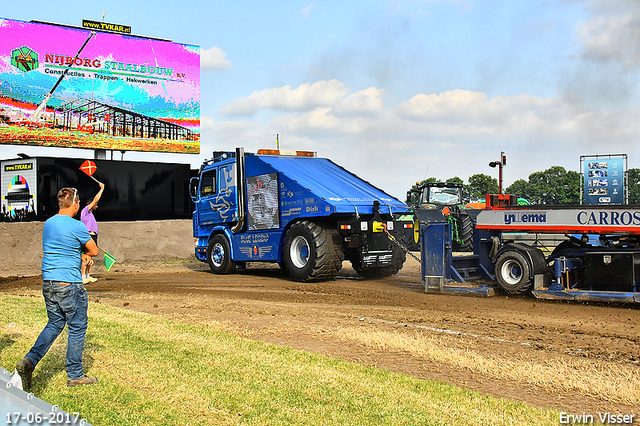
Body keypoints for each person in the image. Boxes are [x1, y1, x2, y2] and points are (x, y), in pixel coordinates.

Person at [15, 187, 100, 391]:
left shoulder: (49, 223)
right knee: (77, 327)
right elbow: (94, 251)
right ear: (76, 204)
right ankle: (75, 375)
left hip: (49, 282)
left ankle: (29, 361)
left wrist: (79, 254)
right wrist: (84, 252)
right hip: (68, 284)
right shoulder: (77, 226)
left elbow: (59, 247)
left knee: (54, 323)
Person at [80, 182, 104, 284]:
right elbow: (95, 200)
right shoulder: (85, 211)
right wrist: (101, 189)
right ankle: (82, 276)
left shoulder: (90, 214)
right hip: (88, 236)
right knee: (86, 256)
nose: (96, 206)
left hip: (93, 237)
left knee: (90, 257)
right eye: (96, 205)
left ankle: (87, 275)